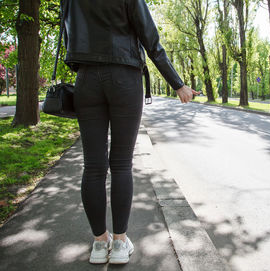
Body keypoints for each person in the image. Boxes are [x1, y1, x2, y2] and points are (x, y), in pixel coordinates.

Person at [62, 0, 199, 265]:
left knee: (93, 167)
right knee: (122, 164)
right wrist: (177, 83)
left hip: (87, 79)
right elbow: (151, 41)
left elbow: (68, 35)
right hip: (124, 77)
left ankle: (100, 245)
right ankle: (121, 243)